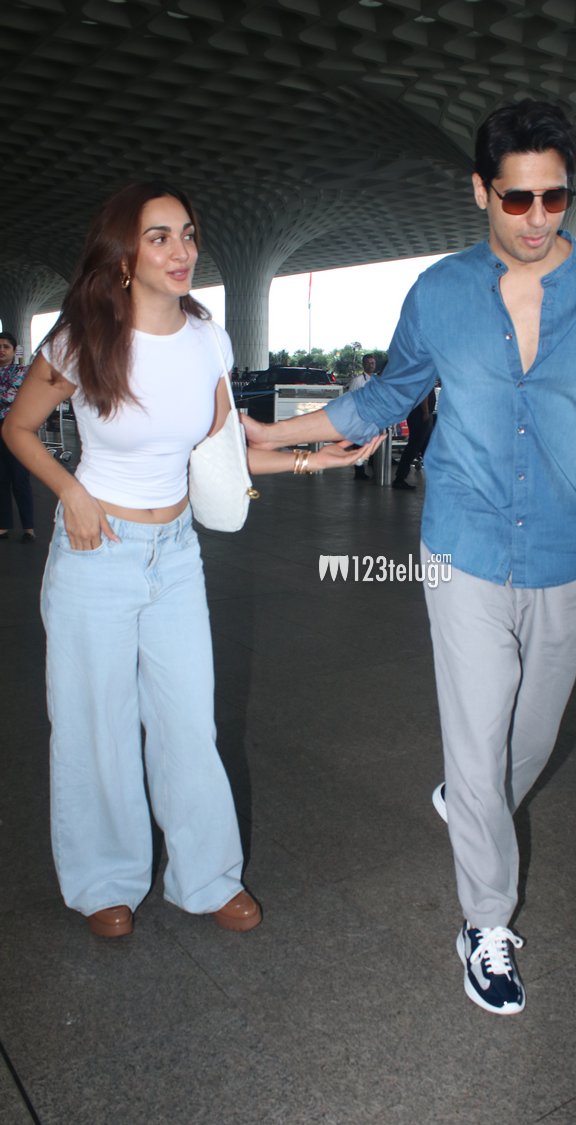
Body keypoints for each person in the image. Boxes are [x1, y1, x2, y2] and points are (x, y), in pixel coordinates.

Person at [242, 99, 576, 1016]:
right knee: (480, 741)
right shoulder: (439, 292)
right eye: (516, 200)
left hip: (569, 554)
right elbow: (386, 397)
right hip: (462, 548)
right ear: (481, 189)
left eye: (554, 198)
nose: (537, 220)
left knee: (528, 743)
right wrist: (276, 432)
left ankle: (467, 793)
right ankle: (485, 921)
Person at [3, 182, 379, 940]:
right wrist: (70, 491)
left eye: (188, 234)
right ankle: (104, 880)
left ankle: (204, 877)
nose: (182, 251)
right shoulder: (80, 338)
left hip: (175, 554)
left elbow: (224, 451)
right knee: (92, 724)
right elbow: (17, 428)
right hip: (96, 552)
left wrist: (317, 458)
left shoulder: (209, 336)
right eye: (160, 237)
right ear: (124, 254)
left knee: (186, 721)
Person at [0, 332, 35, 542]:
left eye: (6, 346)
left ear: (14, 350)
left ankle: (28, 527)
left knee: (20, 479)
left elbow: (11, 396)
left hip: (14, 428)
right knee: (0, 479)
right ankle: (3, 525)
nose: (1, 350)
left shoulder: (22, 371)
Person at [392, 388, 436, 490]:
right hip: (420, 415)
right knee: (414, 446)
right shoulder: (425, 374)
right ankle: (400, 478)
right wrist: (425, 412)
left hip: (422, 414)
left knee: (426, 446)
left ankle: (436, 477)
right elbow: (423, 394)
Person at [348, 354, 378, 479]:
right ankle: (359, 472)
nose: (370, 365)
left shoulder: (377, 380)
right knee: (359, 446)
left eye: (372, 363)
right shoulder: (357, 381)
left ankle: (373, 466)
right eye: (368, 363)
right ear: (363, 364)